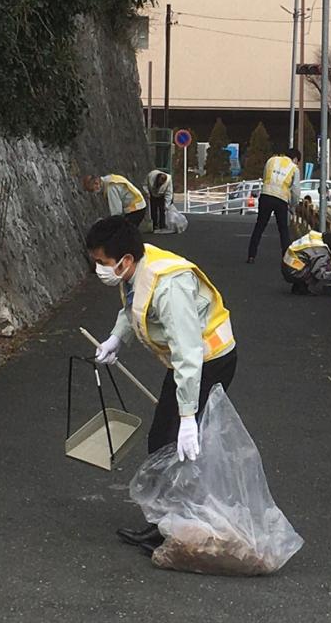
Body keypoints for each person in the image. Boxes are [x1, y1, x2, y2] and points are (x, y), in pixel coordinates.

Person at [85, 216, 238, 553]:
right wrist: (116, 339)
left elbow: (187, 353)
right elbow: (133, 309)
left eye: (102, 262)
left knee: (174, 442)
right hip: (194, 361)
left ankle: (175, 528)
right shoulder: (138, 267)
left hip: (208, 360)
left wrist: (187, 416)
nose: (98, 269)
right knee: (165, 441)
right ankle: (169, 524)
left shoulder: (170, 287)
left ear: (124, 260)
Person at [246, 148, 301, 263]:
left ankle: (251, 255)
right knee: (283, 230)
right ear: (295, 159)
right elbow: (295, 190)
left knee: (259, 226)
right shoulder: (294, 168)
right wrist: (293, 205)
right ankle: (286, 259)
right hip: (281, 199)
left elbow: (265, 176)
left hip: (266, 195)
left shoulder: (271, 160)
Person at [281, 230, 331, 296]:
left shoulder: (317, 237)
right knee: (317, 269)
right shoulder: (321, 250)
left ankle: (298, 285)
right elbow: (319, 274)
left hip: (288, 264)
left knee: (316, 263)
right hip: (292, 271)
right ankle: (301, 287)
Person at [83, 174, 148, 228]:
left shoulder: (111, 188)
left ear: (96, 183)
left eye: (92, 190)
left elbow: (116, 212)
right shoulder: (110, 179)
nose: (93, 192)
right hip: (139, 205)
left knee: (125, 233)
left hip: (136, 208)